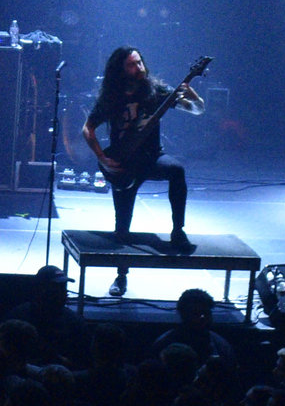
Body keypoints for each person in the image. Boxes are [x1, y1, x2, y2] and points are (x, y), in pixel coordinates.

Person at [82, 45, 203, 292]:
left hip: (151, 158)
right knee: (122, 227)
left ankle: (178, 231)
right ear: (120, 70)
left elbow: (197, 110)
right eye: (131, 65)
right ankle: (121, 276)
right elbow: (88, 129)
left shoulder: (157, 91)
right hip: (124, 162)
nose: (139, 68)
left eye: (140, 63)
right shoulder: (112, 97)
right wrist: (102, 158)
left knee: (176, 170)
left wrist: (194, 96)